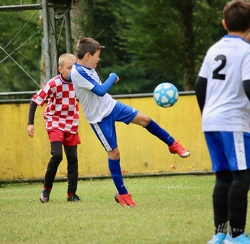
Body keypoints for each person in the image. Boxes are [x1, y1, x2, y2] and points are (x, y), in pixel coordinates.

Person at [69, 37, 190, 207]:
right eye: (97, 55)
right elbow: (101, 90)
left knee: (145, 119)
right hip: (98, 118)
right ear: (87, 56)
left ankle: (173, 143)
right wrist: (112, 76)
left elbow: (102, 95)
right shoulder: (78, 73)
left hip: (111, 106)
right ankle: (123, 194)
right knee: (115, 154)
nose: (99, 59)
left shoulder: (87, 65)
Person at [195, 0, 250, 244]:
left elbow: (200, 85)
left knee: (224, 176)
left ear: (224, 23)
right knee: (242, 177)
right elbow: (249, 86)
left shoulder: (214, 49)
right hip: (234, 121)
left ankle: (219, 234)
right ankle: (237, 236)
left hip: (212, 120)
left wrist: (207, 113)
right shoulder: (246, 51)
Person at [27, 53, 81, 203]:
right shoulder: (53, 84)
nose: (73, 71)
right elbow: (34, 101)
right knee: (57, 155)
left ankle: (71, 195)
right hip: (54, 122)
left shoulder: (78, 83)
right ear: (60, 69)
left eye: (75, 67)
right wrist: (30, 123)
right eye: (69, 68)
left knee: (73, 159)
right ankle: (46, 189)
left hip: (71, 123)